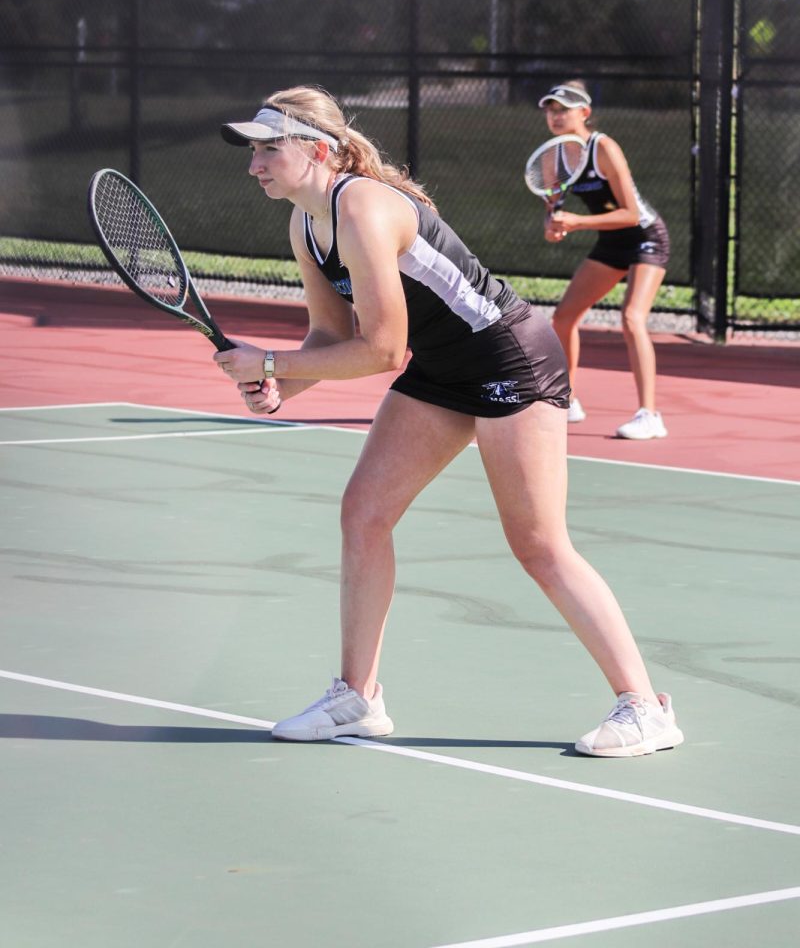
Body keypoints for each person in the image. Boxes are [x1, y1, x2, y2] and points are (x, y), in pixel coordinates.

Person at [213, 85, 683, 757]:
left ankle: (645, 708)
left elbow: (380, 350)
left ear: (316, 149)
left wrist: (272, 361)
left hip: (509, 358)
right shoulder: (304, 223)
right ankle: (357, 698)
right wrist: (282, 380)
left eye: (268, 150)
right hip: (443, 367)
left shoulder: (365, 207)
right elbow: (327, 334)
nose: (254, 165)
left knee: (539, 545)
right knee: (363, 514)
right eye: (252, 152)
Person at [539, 82, 671, 440]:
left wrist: (577, 223)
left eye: (563, 109)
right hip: (610, 242)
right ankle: (568, 400)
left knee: (631, 318)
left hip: (645, 237)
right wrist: (554, 227)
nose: (555, 116)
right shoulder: (552, 158)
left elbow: (630, 213)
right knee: (563, 318)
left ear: (584, 113)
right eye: (551, 110)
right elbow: (555, 211)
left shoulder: (604, 148)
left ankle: (650, 415)